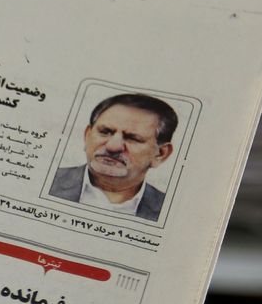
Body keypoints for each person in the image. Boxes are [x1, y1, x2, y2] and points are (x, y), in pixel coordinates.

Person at [47, 92, 179, 222]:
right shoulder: (46, 179)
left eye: (132, 138)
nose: (113, 146)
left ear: (160, 154)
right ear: (87, 136)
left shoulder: (172, 213)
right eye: (105, 132)